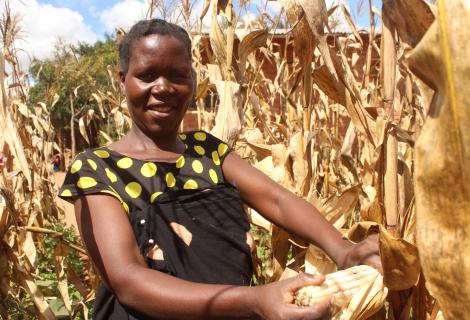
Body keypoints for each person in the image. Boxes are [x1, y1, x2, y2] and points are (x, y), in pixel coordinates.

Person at [59, 19, 381, 320]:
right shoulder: (97, 168)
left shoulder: (206, 150)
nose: (163, 87)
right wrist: (254, 300)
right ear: (123, 81)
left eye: (178, 75)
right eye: (147, 75)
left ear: (193, 80)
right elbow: (128, 280)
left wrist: (343, 249)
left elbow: (278, 200)